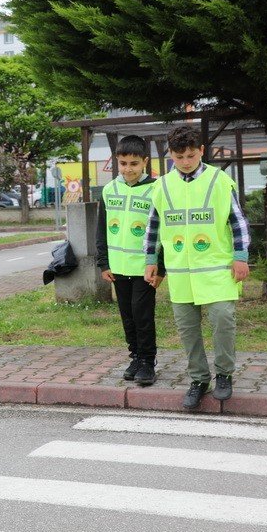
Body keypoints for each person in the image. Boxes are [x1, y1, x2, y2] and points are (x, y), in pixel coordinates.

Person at [144, 125, 250, 408]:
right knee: (188, 331)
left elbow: (237, 221)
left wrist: (241, 256)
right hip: (180, 273)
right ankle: (199, 379)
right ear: (170, 155)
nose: (186, 162)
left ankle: (224, 375)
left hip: (217, 270)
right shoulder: (162, 185)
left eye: (191, 155)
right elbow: (153, 226)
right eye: (179, 157)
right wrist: (151, 261)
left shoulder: (219, 180)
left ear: (202, 151)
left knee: (223, 322)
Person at [96, 135, 164, 386]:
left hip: (145, 268)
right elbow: (101, 229)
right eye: (123, 163)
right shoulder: (109, 189)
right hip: (118, 267)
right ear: (117, 162)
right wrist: (103, 263)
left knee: (142, 314)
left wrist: (161, 268)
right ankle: (135, 356)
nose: (128, 169)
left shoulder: (156, 189)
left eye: (134, 163)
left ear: (145, 162)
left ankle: (148, 361)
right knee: (127, 314)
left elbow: (164, 232)